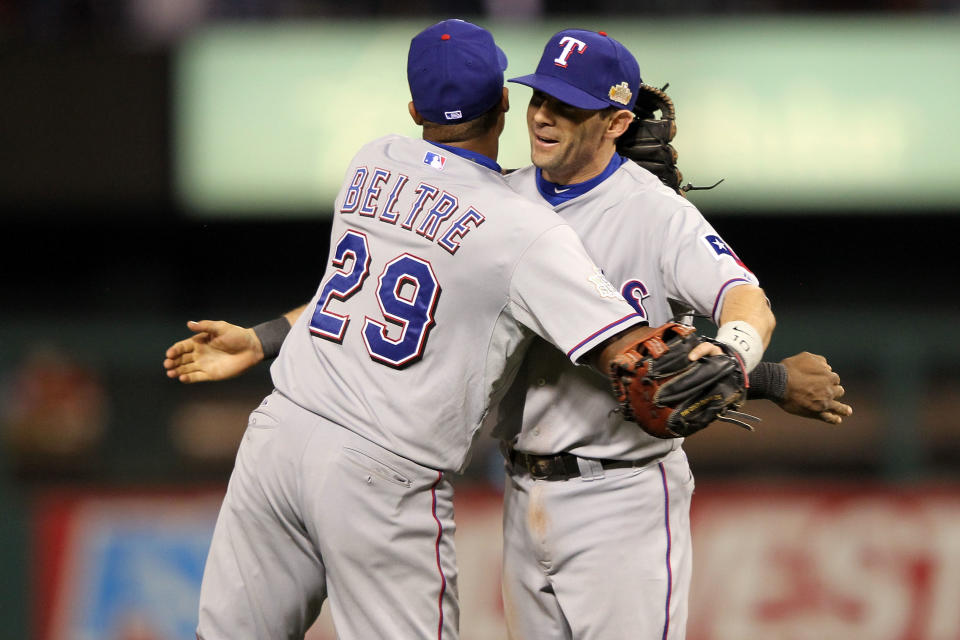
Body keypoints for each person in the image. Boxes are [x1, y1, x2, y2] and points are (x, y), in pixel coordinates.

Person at [176, 18, 688, 640]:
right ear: (505, 101)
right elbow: (632, 355)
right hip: (380, 468)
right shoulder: (521, 230)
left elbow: (372, 291)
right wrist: (767, 375)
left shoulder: (372, 161)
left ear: (415, 108)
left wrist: (262, 337)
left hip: (280, 431)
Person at [491, 28, 851, 640]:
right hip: (520, 490)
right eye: (537, 98)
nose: (544, 117)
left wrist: (738, 360)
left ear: (616, 121)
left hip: (621, 497)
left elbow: (747, 301)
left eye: (568, 106)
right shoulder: (504, 198)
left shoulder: (656, 213)